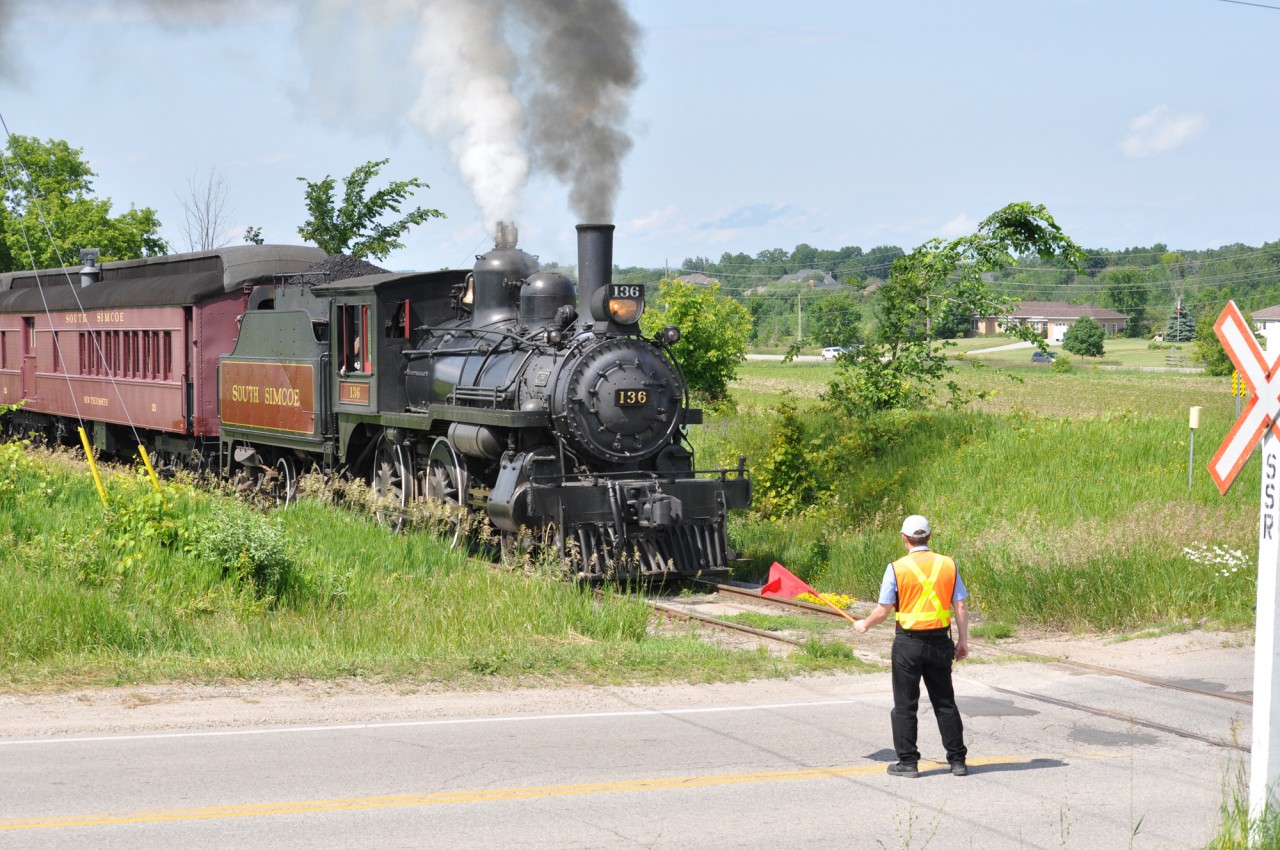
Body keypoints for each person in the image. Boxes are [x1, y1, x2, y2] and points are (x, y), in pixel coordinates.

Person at [854, 514, 969, 778]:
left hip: (908, 643)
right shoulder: (948, 564)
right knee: (945, 702)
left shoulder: (896, 568)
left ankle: (908, 763)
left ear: (904, 539)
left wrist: (865, 625)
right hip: (940, 641)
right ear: (929, 537)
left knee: (905, 705)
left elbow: (883, 611)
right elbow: (960, 605)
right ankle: (958, 761)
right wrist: (962, 641)